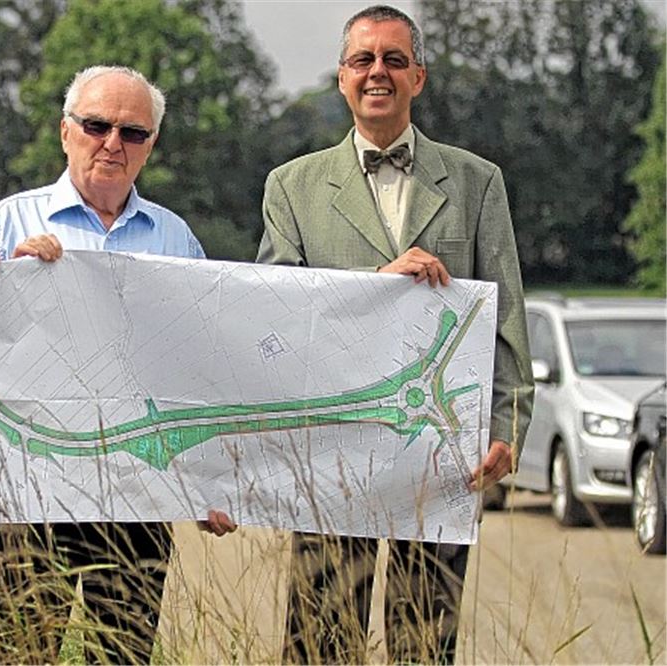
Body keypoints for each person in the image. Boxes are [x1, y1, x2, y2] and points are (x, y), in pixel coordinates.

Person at [256, 6, 533, 664]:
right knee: (321, 642)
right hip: (330, 452)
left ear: (419, 77)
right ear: (343, 79)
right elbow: (274, 315)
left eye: (393, 60)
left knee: (424, 643)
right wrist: (379, 282)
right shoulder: (290, 187)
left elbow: (508, 319)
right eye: (363, 60)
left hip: (441, 456)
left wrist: (508, 429)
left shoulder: (477, 182)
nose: (377, 72)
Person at [0, 65, 236, 665]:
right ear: (65, 132)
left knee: (125, 657)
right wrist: (10, 283)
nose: (113, 143)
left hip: (136, 500)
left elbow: (201, 367)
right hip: (27, 500)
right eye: (97, 125)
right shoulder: (7, 224)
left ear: (151, 144)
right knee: (16, 656)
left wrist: (209, 480)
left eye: (132, 132)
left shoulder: (176, 239)